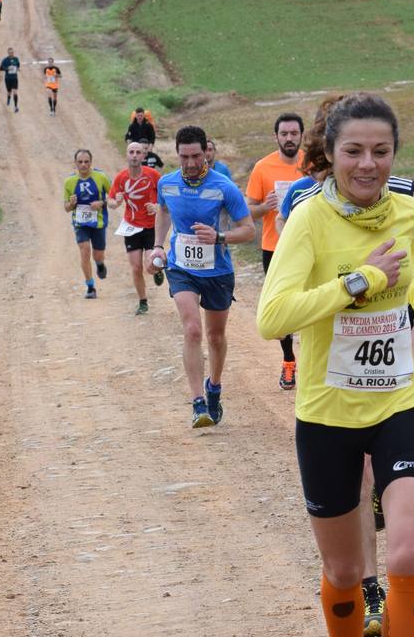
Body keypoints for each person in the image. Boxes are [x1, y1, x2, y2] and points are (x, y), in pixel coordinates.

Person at [258, 93, 414, 637]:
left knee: (406, 554)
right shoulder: (308, 220)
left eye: (381, 151)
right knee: (344, 573)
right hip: (326, 414)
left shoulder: (404, 209)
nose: (368, 164)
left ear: (395, 154)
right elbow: (273, 318)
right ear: (330, 153)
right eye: (354, 151)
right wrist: (359, 280)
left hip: (398, 401)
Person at [149, 126, 255, 428]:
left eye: (196, 155)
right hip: (182, 268)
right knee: (192, 329)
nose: (192, 163)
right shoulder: (167, 184)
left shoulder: (224, 187)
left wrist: (220, 237)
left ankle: (214, 387)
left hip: (218, 271)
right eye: (185, 157)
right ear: (177, 155)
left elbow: (248, 229)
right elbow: (164, 211)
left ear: (205, 151)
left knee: (215, 336)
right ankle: (198, 403)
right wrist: (157, 247)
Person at [245, 113, 307, 390]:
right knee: (281, 307)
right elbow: (247, 212)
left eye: (294, 133)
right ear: (277, 137)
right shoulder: (262, 168)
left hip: (310, 248)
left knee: (314, 304)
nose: (289, 138)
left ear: (301, 136)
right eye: (284, 134)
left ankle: (317, 362)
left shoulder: (313, 164)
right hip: (274, 248)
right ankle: (289, 360)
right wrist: (265, 207)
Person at [108, 142, 162, 315]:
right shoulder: (121, 178)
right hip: (131, 226)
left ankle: (158, 269)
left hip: (151, 225)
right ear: (127, 155)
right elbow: (110, 201)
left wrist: (157, 206)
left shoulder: (153, 175)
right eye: (131, 152)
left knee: (150, 265)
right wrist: (115, 202)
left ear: (143, 156)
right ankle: (143, 301)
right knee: (136, 267)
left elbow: (167, 197)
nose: (135, 155)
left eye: (138, 152)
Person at [65, 149, 110, 299]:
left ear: (91, 162)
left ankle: (100, 264)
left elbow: (114, 197)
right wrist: (71, 204)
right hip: (80, 223)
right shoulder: (69, 181)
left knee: (98, 255)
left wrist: (102, 203)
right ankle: (90, 286)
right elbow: (66, 208)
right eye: (80, 162)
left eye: (86, 162)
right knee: (85, 251)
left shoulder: (101, 177)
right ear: (75, 163)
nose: (83, 165)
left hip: (98, 222)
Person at [0, 47, 21, 112]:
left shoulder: (16, 59)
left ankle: (16, 107)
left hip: (14, 78)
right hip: (8, 78)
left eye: (12, 52)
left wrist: (18, 68)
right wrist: (7, 68)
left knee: (15, 92)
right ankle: (8, 99)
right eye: (10, 53)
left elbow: (18, 65)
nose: (11, 54)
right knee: (9, 92)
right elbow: (0, 68)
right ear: (8, 53)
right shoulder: (5, 60)